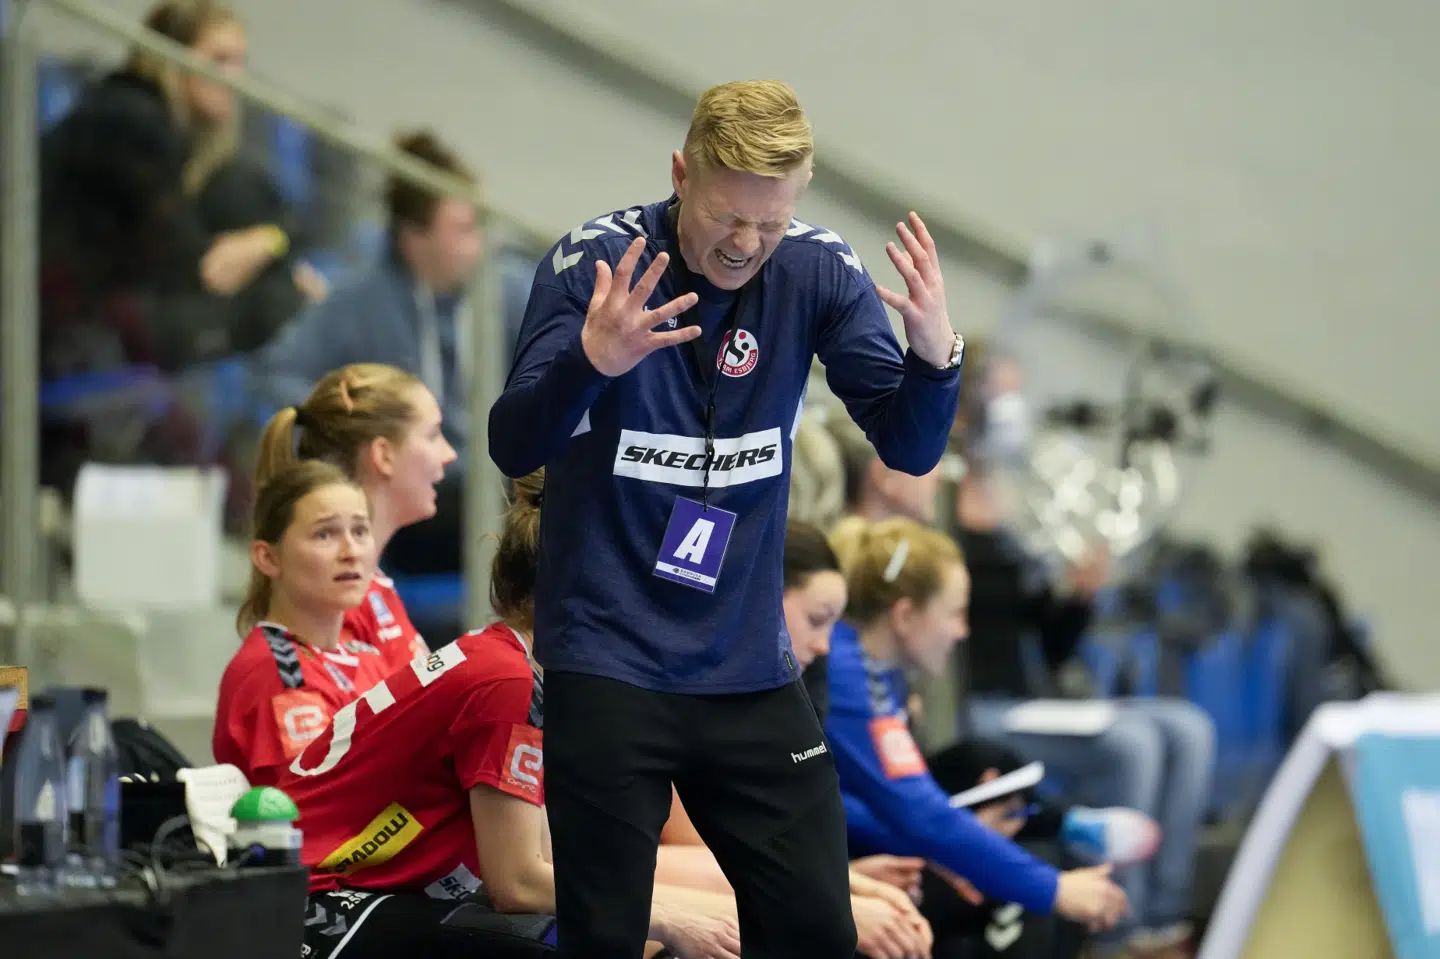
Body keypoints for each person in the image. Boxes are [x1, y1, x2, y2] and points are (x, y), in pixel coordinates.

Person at [490, 78, 966, 959]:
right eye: (727, 218)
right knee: (608, 938)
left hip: (746, 666)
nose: (747, 244)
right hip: (609, 657)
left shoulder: (816, 268)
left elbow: (908, 446)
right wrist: (591, 362)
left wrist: (937, 356)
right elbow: (513, 438)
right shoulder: (595, 263)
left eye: (772, 222)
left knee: (817, 929)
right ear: (681, 174)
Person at [279, 471, 742, 959]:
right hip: (315, 906)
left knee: (677, 928)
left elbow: (545, 864)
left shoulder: (519, 667)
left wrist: (700, 916)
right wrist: (673, 922)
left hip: (371, 893)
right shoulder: (508, 682)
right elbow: (518, 885)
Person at [955, 361, 1215, 958]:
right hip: (978, 702)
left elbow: (1048, 644)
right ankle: (1117, 930)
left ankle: (1162, 920)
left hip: (1030, 698)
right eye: (1003, 399)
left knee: (1187, 728)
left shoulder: (1018, 511)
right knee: (1133, 744)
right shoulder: (941, 498)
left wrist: (1076, 598)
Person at [822, 516, 1131, 943]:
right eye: (954, 613)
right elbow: (914, 812)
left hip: (842, 840)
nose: (962, 631)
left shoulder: (876, 669)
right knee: (1004, 893)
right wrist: (1055, 889)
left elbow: (860, 803)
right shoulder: (844, 672)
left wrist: (935, 848)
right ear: (905, 615)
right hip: (817, 858)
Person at [256, 129, 534, 580]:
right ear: (414, 238)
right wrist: (358, 421)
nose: (478, 246)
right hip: (415, 500)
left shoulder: (508, 290)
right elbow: (277, 374)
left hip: (491, 482)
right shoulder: (360, 300)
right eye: (463, 230)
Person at [658, 520, 935, 959]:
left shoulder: (760, 702)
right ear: (756, 600)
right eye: (816, 620)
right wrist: (836, 897)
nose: (825, 646)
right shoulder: (681, 692)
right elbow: (706, 849)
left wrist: (846, 881)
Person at [253, 363, 455, 675]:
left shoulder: (372, 585)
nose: (449, 454)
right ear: (383, 455)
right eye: (433, 435)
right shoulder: (338, 594)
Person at [213, 460, 387, 785]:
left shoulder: (368, 657)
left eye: (360, 531)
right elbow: (324, 802)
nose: (351, 552)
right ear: (268, 558)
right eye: (325, 534)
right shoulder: (276, 671)